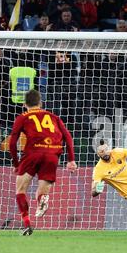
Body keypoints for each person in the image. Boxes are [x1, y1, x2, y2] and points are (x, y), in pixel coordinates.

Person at [9, 90, 77, 236]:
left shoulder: (22, 117)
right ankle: (42, 199)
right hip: (52, 155)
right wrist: (71, 159)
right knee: (42, 192)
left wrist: (16, 163)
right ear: (40, 103)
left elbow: (12, 142)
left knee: (20, 190)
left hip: (33, 154)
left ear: (24, 104)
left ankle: (27, 224)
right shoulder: (54, 117)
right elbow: (68, 137)